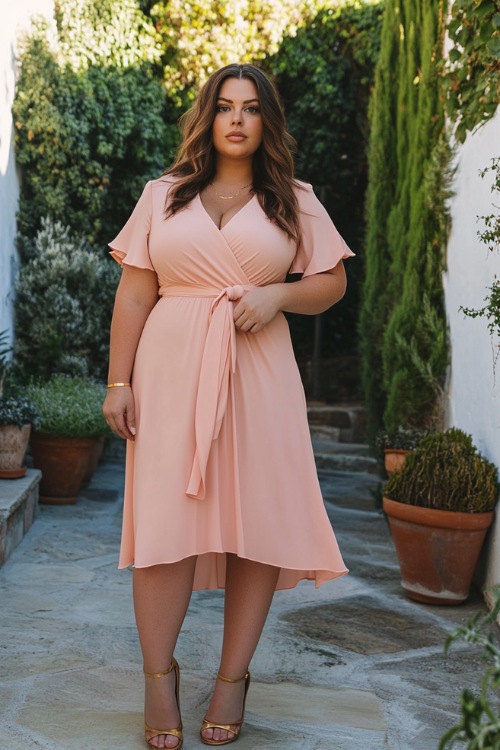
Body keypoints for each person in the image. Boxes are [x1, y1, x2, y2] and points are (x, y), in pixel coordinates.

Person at [103, 62, 353, 750]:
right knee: (162, 527)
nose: (237, 118)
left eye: (250, 108)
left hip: (260, 375)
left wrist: (278, 296)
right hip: (170, 369)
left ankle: (231, 679)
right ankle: (159, 675)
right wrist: (118, 382)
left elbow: (331, 282)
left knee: (256, 525)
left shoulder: (292, 199)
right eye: (224, 106)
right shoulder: (163, 195)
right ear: (207, 118)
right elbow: (133, 292)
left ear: (266, 121)